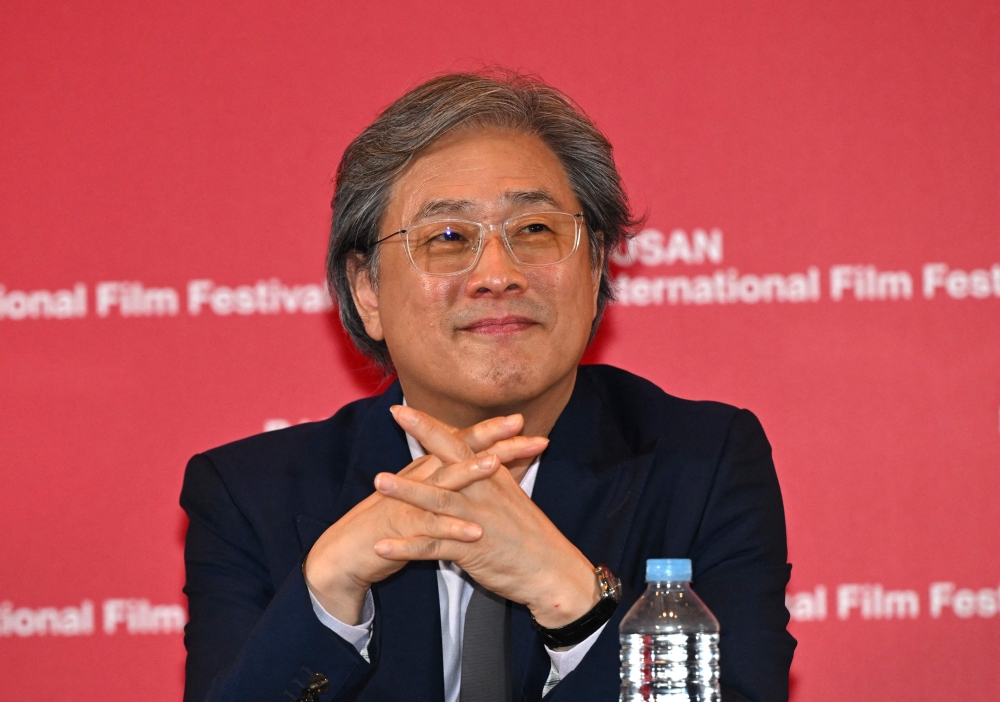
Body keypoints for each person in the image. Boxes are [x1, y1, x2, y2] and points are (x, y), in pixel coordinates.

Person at [180, 70, 795, 702]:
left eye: (535, 230)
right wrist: (327, 594)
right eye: (448, 238)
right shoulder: (250, 496)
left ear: (594, 268)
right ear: (368, 292)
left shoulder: (703, 465)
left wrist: (572, 599)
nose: (497, 275)